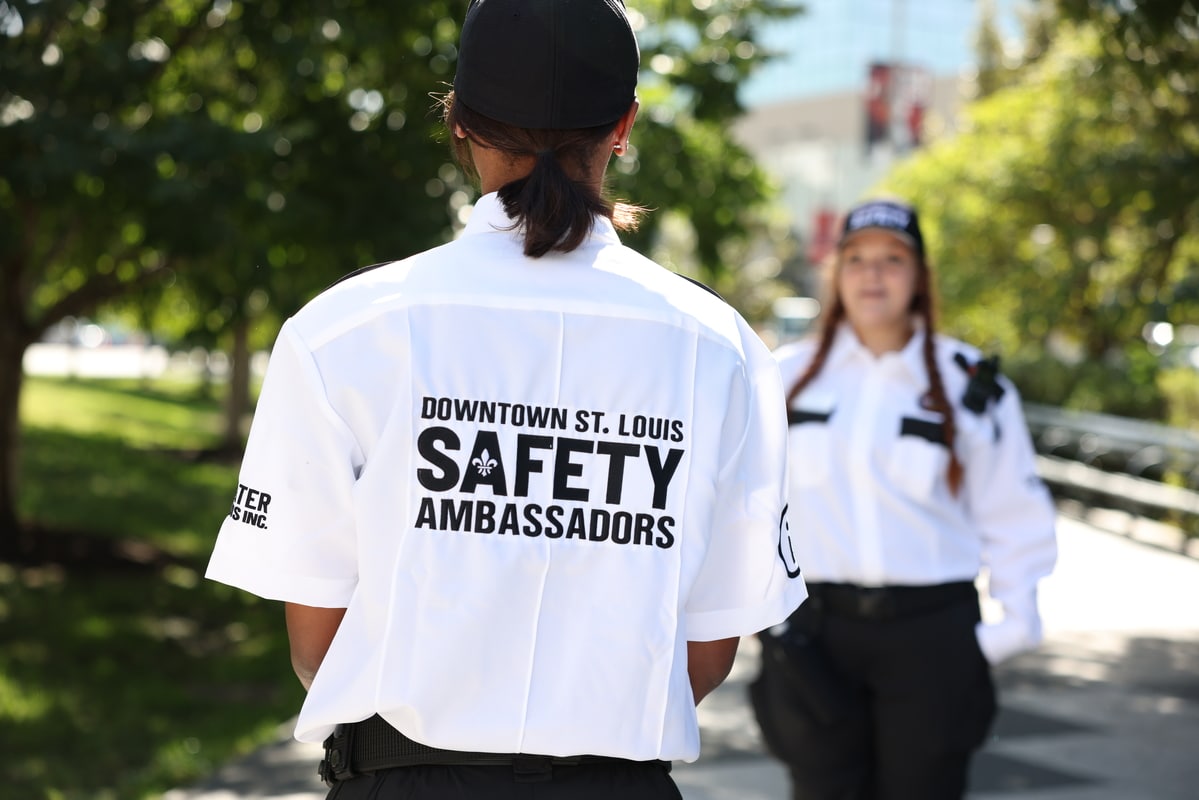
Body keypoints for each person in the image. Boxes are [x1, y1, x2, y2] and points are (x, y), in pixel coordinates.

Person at [204, 1, 808, 799]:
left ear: (458, 121)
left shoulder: (345, 331)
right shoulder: (722, 349)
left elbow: (316, 635)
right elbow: (710, 644)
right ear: (623, 126)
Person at [749, 198, 1057, 800]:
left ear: (919, 276)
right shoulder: (784, 374)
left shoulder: (971, 384)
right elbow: (751, 507)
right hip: (818, 637)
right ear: (836, 272)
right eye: (857, 258)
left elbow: (1013, 512)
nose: (873, 274)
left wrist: (1007, 630)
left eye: (893, 259)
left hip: (931, 639)